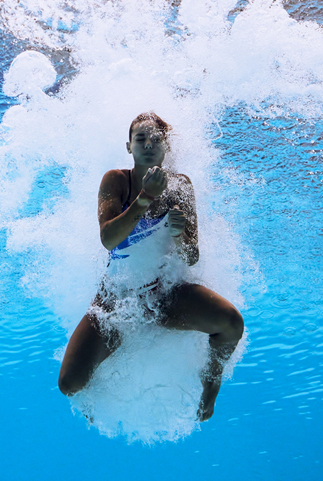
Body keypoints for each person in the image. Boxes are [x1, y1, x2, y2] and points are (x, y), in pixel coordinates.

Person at [57, 112, 244, 422]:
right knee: (70, 384)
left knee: (231, 323)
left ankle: (211, 381)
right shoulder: (116, 180)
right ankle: (114, 347)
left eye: (155, 139)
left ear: (166, 146)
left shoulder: (180, 185)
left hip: (163, 296)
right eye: (140, 139)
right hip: (116, 302)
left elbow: (191, 256)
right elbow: (108, 239)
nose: (148, 145)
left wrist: (179, 235)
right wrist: (145, 198)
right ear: (129, 147)